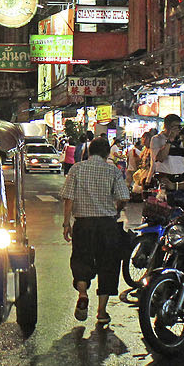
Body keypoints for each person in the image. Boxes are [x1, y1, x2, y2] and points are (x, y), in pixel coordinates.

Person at [60, 136, 130, 328]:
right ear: (107, 153)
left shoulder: (76, 169)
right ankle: (101, 312)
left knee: (81, 260)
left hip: (83, 225)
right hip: (107, 226)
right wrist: (115, 210)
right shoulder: (113, 171)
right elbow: (124, 197)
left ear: (89, 152)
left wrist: (67, 224)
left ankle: (83, 294)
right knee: (108, 266)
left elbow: (68, 198)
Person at [150, 114, 184, 188]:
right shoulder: (157, 139)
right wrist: (170, 140)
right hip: (165, 178)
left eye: (179, 126)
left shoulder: (181, 140)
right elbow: (160, 158)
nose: (178, 129)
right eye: (174, 127)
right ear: (166, 126)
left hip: (181, 178)